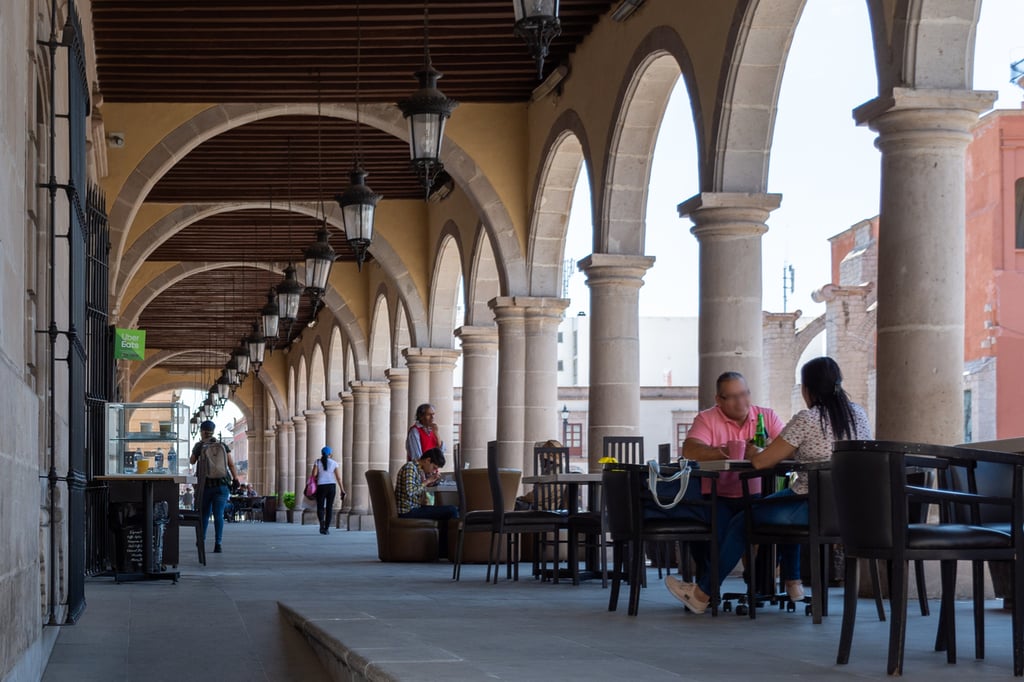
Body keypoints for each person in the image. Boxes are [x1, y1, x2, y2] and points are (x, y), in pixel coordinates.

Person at [666, 357, 872, 614]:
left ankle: (702, 593)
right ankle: (792, 583)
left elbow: (763, 461)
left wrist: (752, 450)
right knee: (776, 506)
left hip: (810, 506)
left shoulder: (808, 418)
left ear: (808, 389)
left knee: (744, 520)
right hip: (849, 511)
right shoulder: (858, 414)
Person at [655, 372, 783, 581]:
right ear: (719, 400)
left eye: (744, 394)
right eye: (732, 397)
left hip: (758, 494)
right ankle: (709, 589)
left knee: (769, 533)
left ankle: (751, 584)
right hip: (716, 495)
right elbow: (690, 449)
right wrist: (726, 451)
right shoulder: (707, 418)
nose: (740, 401)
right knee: (710, 537)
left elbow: (786, 447)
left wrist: (767, 449)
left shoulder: (766, 416)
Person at [394, 447, 458, 557]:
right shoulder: (410, 468)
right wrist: (427, 481)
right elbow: (410, 491)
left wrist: (428, 482)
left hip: (414, 508)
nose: (433, 471)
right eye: (434, 467)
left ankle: (444, 550)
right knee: (451, 510)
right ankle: (447, 550)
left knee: (453, 510)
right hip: (408, 511)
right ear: (427, 460)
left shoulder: (417, 470)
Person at [189, 420, 240, 553]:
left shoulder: (199, 446)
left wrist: (198, 451)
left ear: (202, 431)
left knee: (204, 514)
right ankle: (218, 543)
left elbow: (192, 461)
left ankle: (202, 540)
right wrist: (235, 479)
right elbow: (231, 464)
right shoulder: (222, 445)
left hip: (206, 486)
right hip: (222, 486)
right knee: (218, 515)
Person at [310, 446, 346, 535]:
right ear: (330, 454)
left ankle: (321, 525)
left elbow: (313, 475)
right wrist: (342, 490)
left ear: (322, 453)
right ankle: (326, 528)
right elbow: (338, 478)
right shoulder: (334, 463)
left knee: (320, 506)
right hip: (331, 486)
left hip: (321, 486)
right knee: (329, 507)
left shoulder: (317, 462)